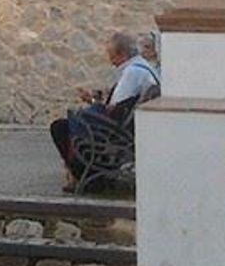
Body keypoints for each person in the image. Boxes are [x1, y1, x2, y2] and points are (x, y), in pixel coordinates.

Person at [47, 32, 160, 191]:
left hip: (114, 134)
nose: (111, 62)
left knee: (60, 127)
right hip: (127, 129)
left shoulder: (132, 73)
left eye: (112, 56)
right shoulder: (145, 67)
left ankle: (84, 176)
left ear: (122, 54)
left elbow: (112, 109)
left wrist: (92, 104)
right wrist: (94, 100)